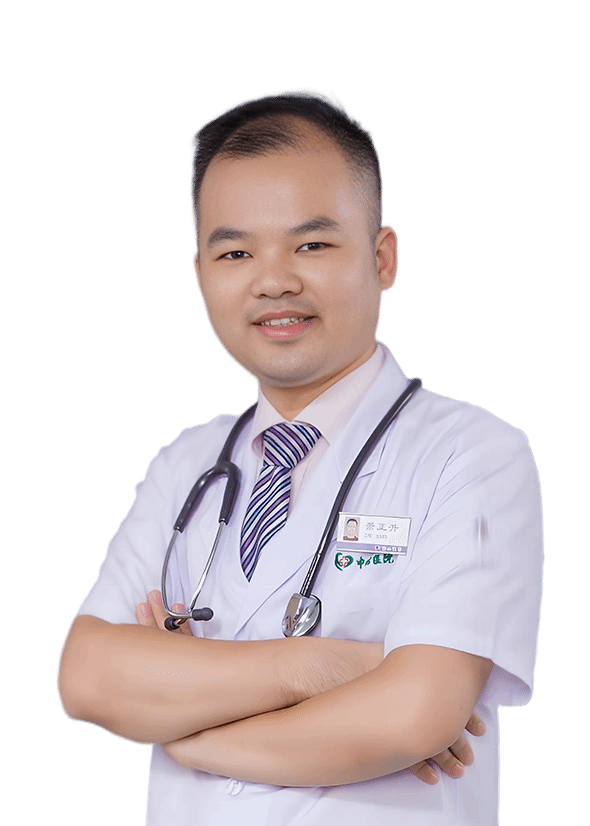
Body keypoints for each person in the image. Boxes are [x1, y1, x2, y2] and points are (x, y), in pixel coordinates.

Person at [56, 87, 544, 825]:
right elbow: (88, 679)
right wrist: (317, 666)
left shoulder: (475, 456)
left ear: (383, 258)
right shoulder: (183, 464)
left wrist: (182, 725)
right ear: (200, 274)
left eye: (311, 245)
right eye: (235, 252)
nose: (274, 279)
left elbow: (412, 717)